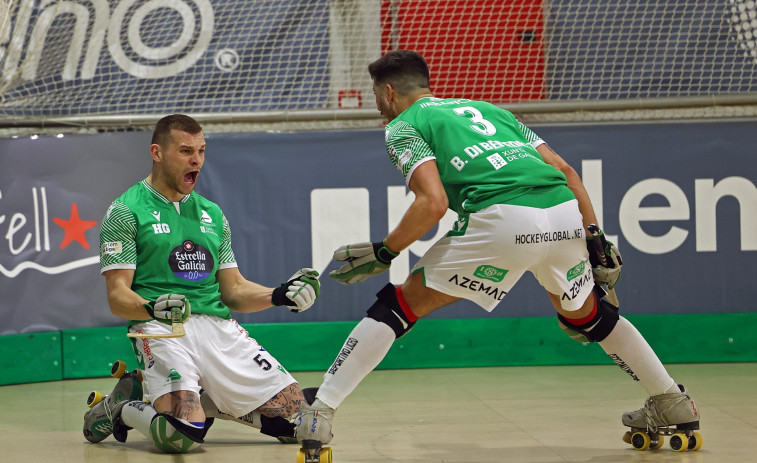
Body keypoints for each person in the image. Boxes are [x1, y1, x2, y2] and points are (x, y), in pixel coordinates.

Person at [294, 50, 700, 450]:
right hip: (563, 212)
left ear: (387, 92)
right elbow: (567, 171)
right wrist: (595, 238)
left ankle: (320, 411)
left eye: (376, 96)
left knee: (398, 306)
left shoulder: (403, 125)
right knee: (590, 315)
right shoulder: (491, 110)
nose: (378, 106)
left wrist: (386, 251)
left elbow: (432, 203)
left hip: (503, 219)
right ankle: (672, 401)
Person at [84, 114, 322, 454]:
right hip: (161, 329)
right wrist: (151, 307)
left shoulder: (213, 214)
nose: (196, 160)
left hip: (217, 329)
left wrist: (280, 294)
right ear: (157, 152)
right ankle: (123, 408)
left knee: (297, 422)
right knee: (180, 436)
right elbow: (118, 296)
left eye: (201, 150)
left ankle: (193, 399)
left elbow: (234, 291)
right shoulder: (125, 211)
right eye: (185, 151)